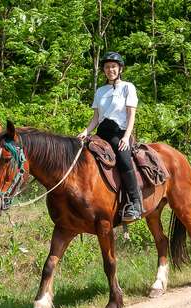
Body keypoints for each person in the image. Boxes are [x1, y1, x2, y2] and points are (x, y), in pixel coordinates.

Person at [78, 51, 142, 221]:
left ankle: (135, 203)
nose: (110, 69)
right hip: (101, 133)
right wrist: (86, 131)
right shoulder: (100, 91)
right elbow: (96, 118)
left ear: (120, 68)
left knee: (123, 159)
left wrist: (126, 138)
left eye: (113, 66)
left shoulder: (128, 87)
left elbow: (131, 115)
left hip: (119, 132)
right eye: (107, 67)